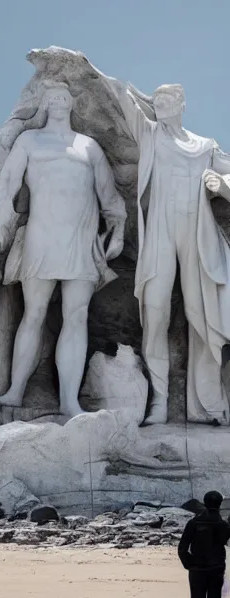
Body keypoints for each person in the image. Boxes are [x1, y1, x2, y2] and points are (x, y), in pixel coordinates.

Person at [0, 81, 126, 416]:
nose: (58, 97)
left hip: (81, 237)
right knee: (33, 312)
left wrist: (117, 229)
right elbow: (7, 184)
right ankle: (16, 389)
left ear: (73, 103)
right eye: (51, 95)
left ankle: (69, 401)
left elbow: (109, 195)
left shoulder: (88, 146)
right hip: (42, 235)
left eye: (65, 93)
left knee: (76, 316)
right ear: (44, 103)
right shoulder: (29, 140)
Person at [100, 71, 230, 425]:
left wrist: (222, 185)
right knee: (155, 311)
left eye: (166, 101)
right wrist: (87, 69)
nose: (159, 106)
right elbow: (122, 97)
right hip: (160, 230)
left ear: (182, 105)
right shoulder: (151, 134)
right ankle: (158, 402)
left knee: (199, 314)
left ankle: (208, 404)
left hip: (195, 231)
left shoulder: (205, 146)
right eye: (155, 102)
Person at [178, 490, 230, 598]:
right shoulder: (223, 525)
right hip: (216, 570)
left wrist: (189, 563)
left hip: (197, 571)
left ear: (205, 502)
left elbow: (182, 547)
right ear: (219, 504)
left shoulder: (194, 522)